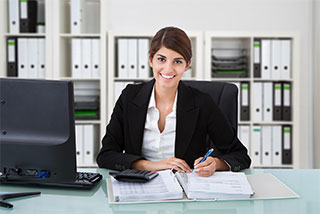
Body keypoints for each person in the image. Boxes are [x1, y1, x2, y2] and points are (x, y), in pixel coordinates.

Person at [97, 26, 251, 177]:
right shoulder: (130, 97)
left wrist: (216, 163)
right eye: (161, 59)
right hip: (140, 186)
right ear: (151, 60)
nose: (168, 69)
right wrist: (151, 165)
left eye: (177, 61)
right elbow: (106, 155)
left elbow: (240, 155)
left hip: (185, 190)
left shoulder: (202, 102)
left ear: (187, 65)